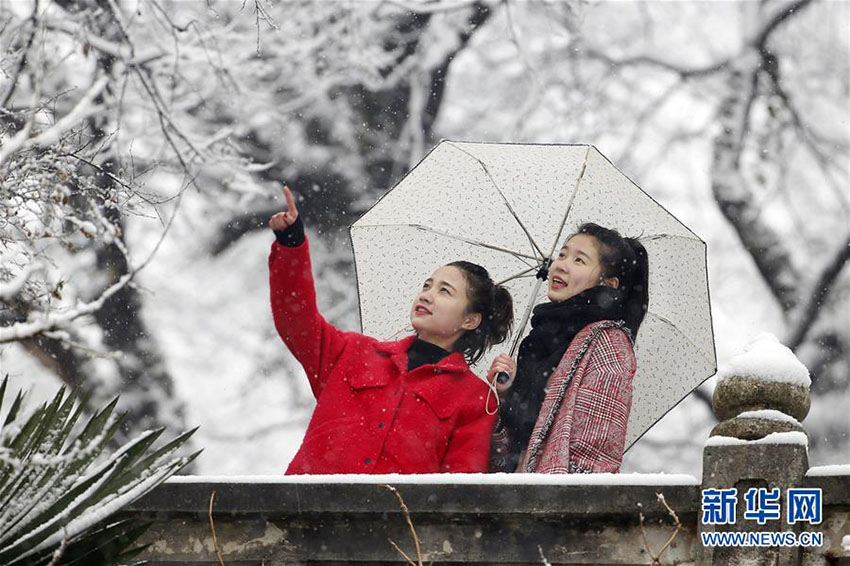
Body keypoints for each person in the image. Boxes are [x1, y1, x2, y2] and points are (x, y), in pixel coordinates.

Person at [269, 185, 513, 474]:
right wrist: (292, 244)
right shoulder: (352, 352)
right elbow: (296, 320)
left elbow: (460, 482)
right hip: (305, 501)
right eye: (427, 285)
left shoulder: (475, 399)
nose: (427, 295)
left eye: (444, 291)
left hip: (398, 506)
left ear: (470, 320)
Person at [488, 223, 649, 474]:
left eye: (579, 260)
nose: (561, 265)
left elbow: (594, 455)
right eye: (562, 255)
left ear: (609, 284)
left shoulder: (608, 342)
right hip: (518, 492)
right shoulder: (538, 340)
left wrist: (555, 495)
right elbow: (512, 449)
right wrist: (508, 394)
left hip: (556, 495)